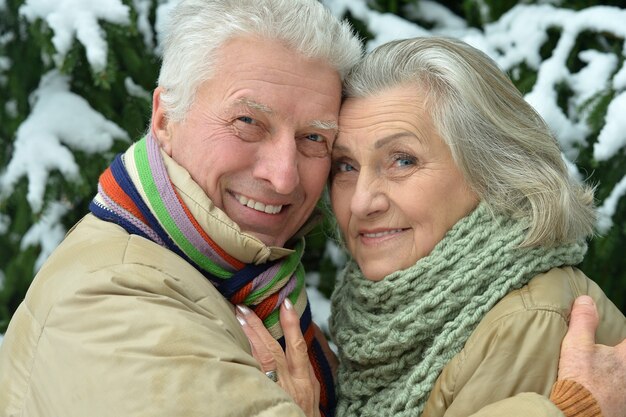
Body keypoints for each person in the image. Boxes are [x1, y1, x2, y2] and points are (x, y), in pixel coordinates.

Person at [0, 1, 620, 414]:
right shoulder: (112, 302)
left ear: (493, 171)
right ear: (165, 116)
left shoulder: (533, 320)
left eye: (315, 141)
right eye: (248, 121)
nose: (283, 173)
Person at [238, 37, 626, 417]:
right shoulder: (397, 320)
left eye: (402, 161)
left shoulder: (528, 319)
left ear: (489, 171)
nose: (361, 202)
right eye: (345, 166)